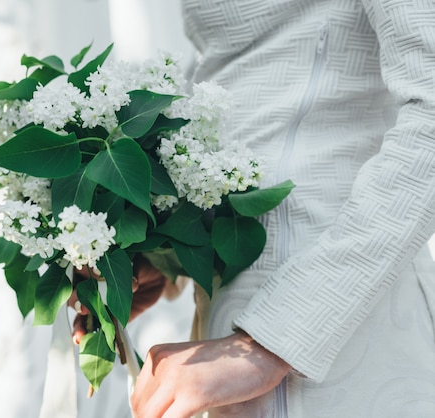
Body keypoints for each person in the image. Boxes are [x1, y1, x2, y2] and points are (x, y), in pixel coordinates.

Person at [75, 0, 435, 416]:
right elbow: (235, 81)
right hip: (226, 329)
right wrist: (170, 254)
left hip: (339, 323)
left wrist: (276, 340)